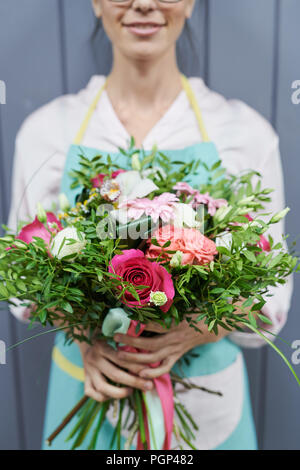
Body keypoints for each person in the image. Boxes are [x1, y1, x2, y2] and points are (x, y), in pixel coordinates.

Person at [7, 0, 293, 450]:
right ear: (96, 3)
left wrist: (198, 327)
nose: (143, 3)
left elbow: (271, 298)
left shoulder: (244, 133)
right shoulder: (47, 132)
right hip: (85, 393)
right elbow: (22, 285)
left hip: (206, 411)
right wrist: (85, 338)